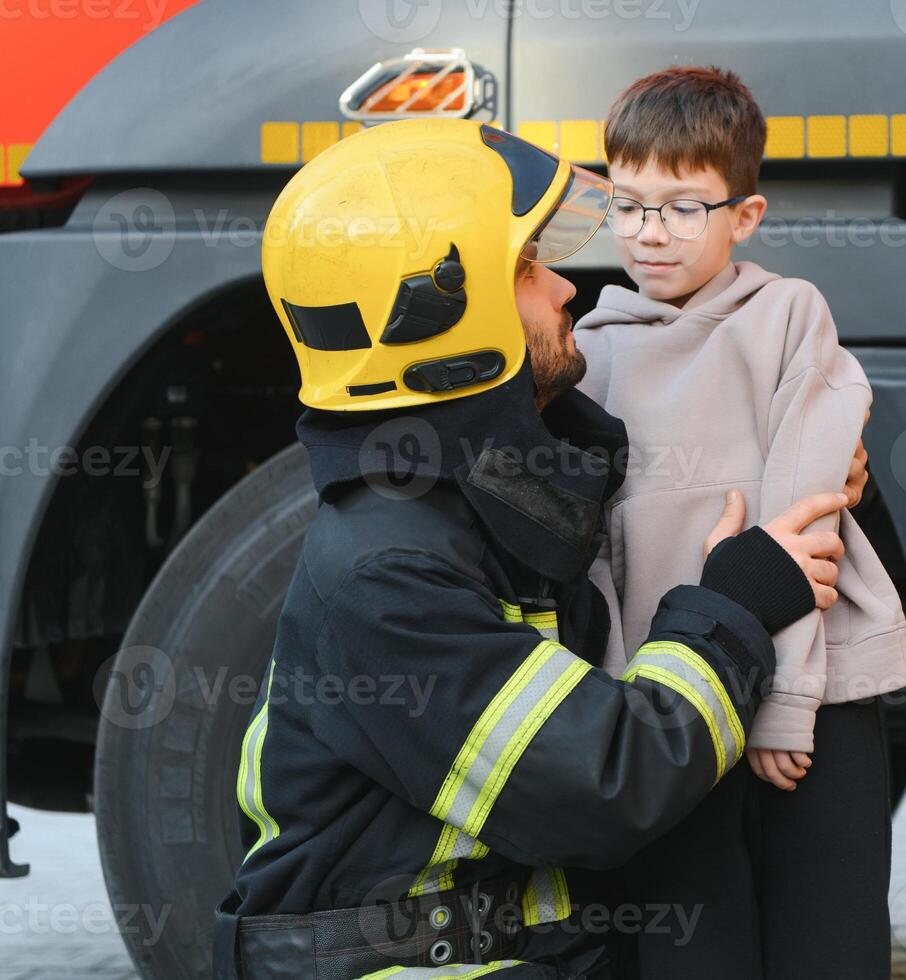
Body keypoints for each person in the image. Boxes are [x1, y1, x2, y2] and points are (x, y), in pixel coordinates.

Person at [212, 118, 853, 980]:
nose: (563, 288)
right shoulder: (389, 574)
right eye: (521, 268)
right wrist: (733, 602)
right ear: (437, 315)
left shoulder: (472, 513)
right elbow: (608, 781)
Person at [574, 67, 906, 978]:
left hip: (805, 701)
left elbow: (804, 518)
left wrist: (782, 710)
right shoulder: (591, 352)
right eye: (629, 203)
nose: (650, 232)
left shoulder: (787, 319)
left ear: (746, 216)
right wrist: (624, 718)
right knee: (693, 943)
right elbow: (597, 563)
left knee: (825, 936)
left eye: (685, 207)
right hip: (671, 705)